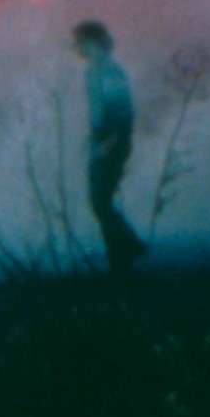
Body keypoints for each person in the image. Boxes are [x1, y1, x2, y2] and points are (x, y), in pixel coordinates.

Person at [73, 18, 145, 275]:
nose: (75, 48)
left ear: (91, 42)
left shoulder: (109, 70)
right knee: (100, 200)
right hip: (103, 140)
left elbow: (121, 111)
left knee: (100, 200)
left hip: (112, 141)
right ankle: (121, 256)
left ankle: (127, 250)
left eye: (79, 42)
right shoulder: (94, 70)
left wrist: (109, 142)